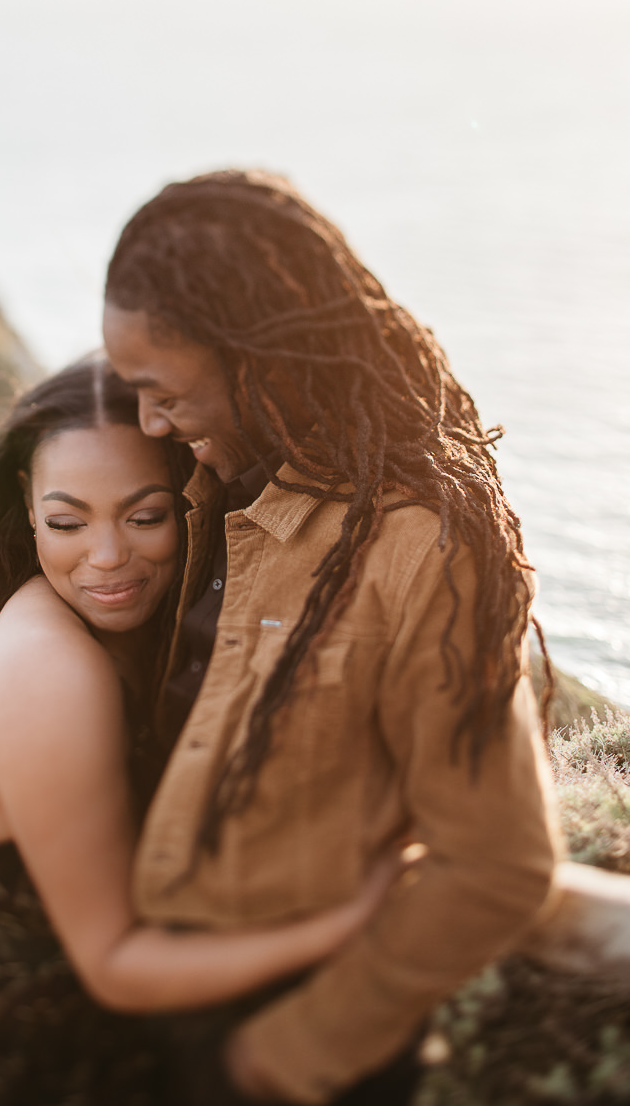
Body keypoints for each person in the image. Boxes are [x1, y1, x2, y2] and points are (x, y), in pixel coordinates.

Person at [102, 170, 563, 1106]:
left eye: (162, 391)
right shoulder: (199, 492)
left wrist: (289, 1052)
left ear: (259, 357)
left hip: (291, 1061)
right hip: (144, 1022)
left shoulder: (414, 551)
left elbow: (499, 862)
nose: (148, 420)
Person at [0, 355, 401, 1106]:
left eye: (146, 516)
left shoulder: (163, 634)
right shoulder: (54, 667)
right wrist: (350, 919)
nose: (107, 558)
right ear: (27, 502)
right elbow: (112, 961)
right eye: (66, 522)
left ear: (192, 499)